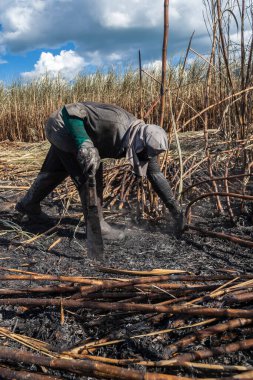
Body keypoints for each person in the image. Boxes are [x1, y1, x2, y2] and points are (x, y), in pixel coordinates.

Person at [15, 101, 185, 240]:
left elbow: (155, 174)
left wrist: (175, 210)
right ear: (139, 143)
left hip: (70, 132)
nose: (144, 157)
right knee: (91, 169)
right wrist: (85, 144)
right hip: (64, 126)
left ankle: (29, 204)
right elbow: (70, 111)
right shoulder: (115, 123)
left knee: (56, 171)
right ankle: (96, 227)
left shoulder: (146, 140)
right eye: (142, 153)